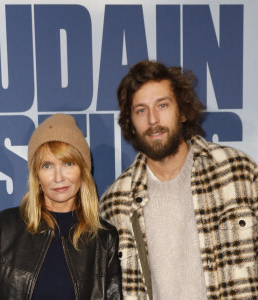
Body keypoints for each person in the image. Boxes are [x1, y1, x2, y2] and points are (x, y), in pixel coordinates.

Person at [100, 60, 258, 300]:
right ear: (130, 123)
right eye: (141, 110)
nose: (153, 119)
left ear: (183, 111)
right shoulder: (115, 202)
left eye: (162, 105)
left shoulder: (237, 173)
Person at [0, 113, 122, 300]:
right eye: (47, 166)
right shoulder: (4, 227)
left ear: (83, 170)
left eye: (68, 163)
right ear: (36, 173)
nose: (58, 177)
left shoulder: (105, 239)